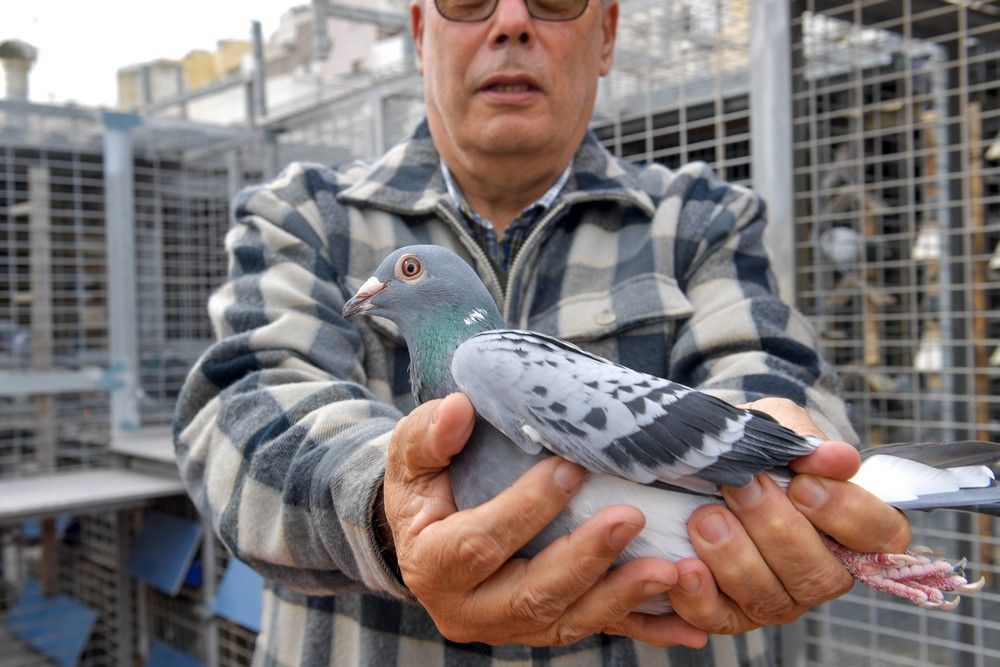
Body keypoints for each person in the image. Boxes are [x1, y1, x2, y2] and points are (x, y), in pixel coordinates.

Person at [174, 0, 912, 664]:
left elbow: (768, 364)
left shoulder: (702, 218)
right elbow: (245, 418)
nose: (511, 22)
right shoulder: (301, 213)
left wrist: (793, 464)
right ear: (420, 29)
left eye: (553, 0)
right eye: (469, 1)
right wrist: (388, 504)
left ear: (608, 35)